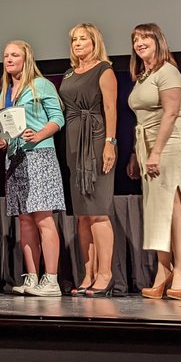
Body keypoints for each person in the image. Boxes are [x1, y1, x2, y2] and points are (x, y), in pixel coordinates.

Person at [126, 23, 181, 300]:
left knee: (174, 203)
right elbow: (141, 120)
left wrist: (156, 152)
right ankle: (163, 269)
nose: (140, 43)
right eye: (136, 39)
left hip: (172, 141)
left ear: (158, 41)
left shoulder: (168, 71)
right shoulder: (144, 76)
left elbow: (170, 113)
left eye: (145, 37)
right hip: (148, 143)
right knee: (157, 208)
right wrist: (137, 153)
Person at [0, 39, 67, 297]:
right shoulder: (5, 92)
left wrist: (39, 134)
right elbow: (7, 128)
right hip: (15, 158)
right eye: (6, 55)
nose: (9, 59)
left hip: (39, 156)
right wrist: (1, 141)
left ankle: (52, 280)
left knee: (43, 218)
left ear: (26, 58)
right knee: (24, 220)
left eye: (15, 55)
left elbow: (58, 118)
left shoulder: (41, 85)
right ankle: (32, 278)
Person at [59, 24, 119, 296]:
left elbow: (110, 108)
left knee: (97, 210)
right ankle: (89, 274)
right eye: (74, 39)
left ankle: (105, 274)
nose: (77, 43)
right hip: (73, 143)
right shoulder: (69, 73)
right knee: (82, 214)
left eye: (83, 39)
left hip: (95, 139)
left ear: (95, 42)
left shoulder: (104, 70)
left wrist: (110, 142)